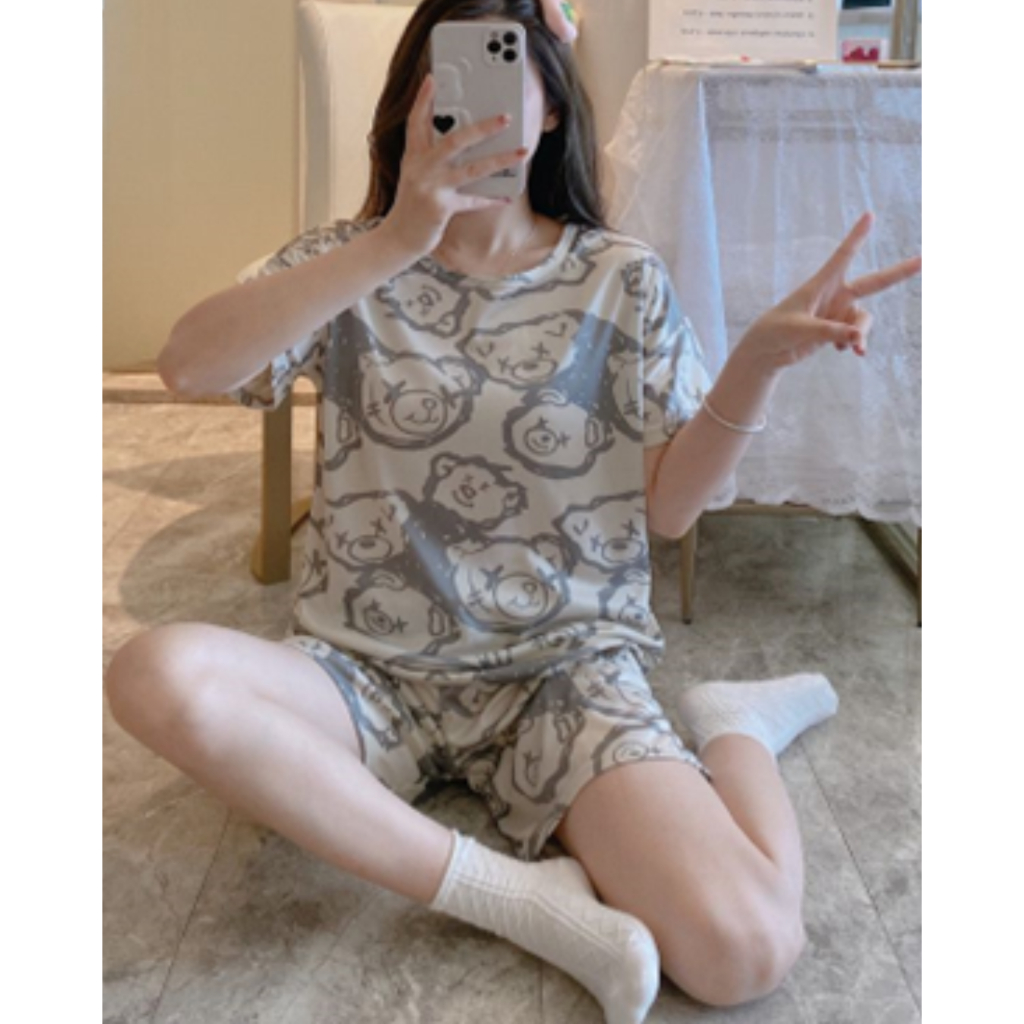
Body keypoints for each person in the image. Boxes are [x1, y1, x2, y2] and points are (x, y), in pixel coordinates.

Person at [104, 1, 922, 1021]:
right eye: (440, 77)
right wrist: (396, 241)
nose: (470, 103)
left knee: (747, 948)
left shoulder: (619, 276)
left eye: (501, 71)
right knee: (154, 673)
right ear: (406, 107)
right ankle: (517, 899)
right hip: (363, 670)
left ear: (550, 108)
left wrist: (753, 363)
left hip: (562, 670)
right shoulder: (344, 261)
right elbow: (187, 367)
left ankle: (737, 731)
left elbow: (669, 512)